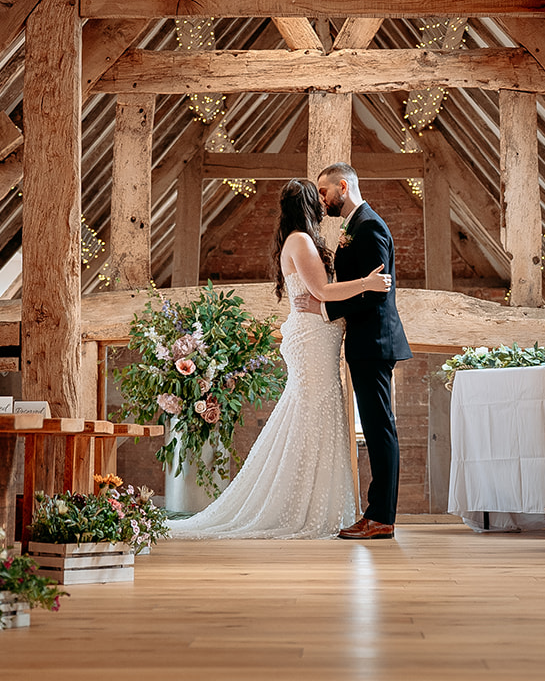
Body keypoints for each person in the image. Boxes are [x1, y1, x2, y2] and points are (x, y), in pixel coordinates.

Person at [165, 178, 391, 540]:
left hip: (321, 336)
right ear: (306, 204)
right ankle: (294, 506)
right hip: (312, 340)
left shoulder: (306, 240)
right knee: (311, 416)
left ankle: (317, 503)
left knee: (317, 417)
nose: (322, 200)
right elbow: (320, 290)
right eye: (315, 195)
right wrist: (367, 283)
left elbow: (320, 296)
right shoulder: (300, 241)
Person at [293, 161, 411, 540]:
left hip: (374, 342)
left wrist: (325, 307)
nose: (322, 199)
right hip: (365, 342)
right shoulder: (355, 226)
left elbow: (376, 294)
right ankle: (377, 514)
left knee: (379, 430)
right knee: (377, 428)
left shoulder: (370, 227)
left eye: (325, 192)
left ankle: (381, 517)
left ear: (343, 187)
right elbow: (363, 286)